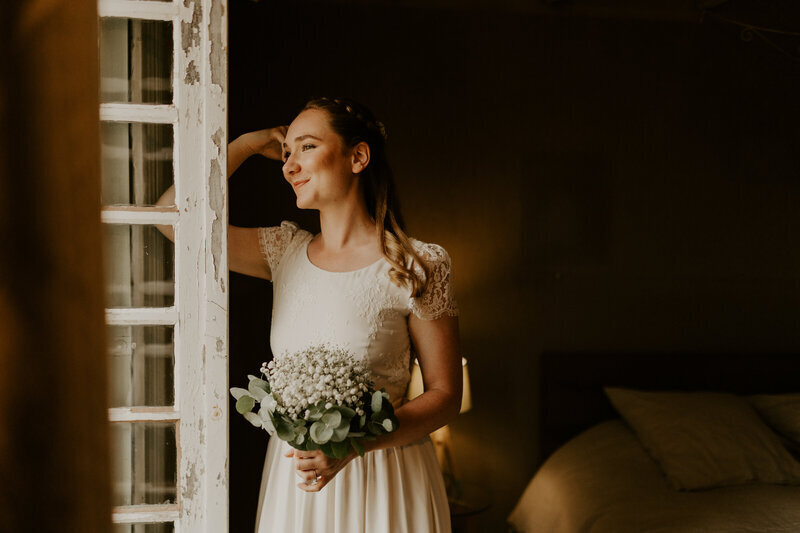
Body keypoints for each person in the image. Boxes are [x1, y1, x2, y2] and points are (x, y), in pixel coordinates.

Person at [158, 97, 461, 532]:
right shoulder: (284, 252)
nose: (288, 166)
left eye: (307, 147)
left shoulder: (418, 265)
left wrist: (355, 446)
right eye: (286, 152)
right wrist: (244, 144)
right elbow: (173, 219)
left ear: (358, 156)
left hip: (387, 482)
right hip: (296, 486)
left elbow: (446, 394)